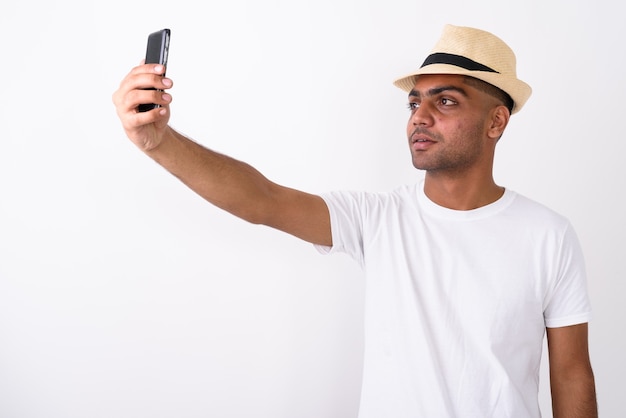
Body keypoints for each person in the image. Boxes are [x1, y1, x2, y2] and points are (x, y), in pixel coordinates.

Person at [113, 24, 597, 417]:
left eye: (445, 101)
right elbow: (261, 200)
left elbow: (572, 373)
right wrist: (160, 142)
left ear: (496, 122)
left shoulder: (547, 235)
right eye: (415, 102)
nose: (419, 116)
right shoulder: (378, 219)